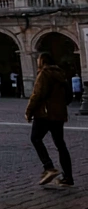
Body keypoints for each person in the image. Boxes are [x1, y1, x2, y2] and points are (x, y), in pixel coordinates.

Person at [27, 52, 73, 187]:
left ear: (42, 61)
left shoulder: (44, 74)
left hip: (44, 114)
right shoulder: (61, 74)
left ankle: (49, 167)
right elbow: (68, 96)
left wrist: (29, 112)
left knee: (35, 138)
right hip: (59, 114)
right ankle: (68, 177)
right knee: (60, 144)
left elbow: (37, 95)